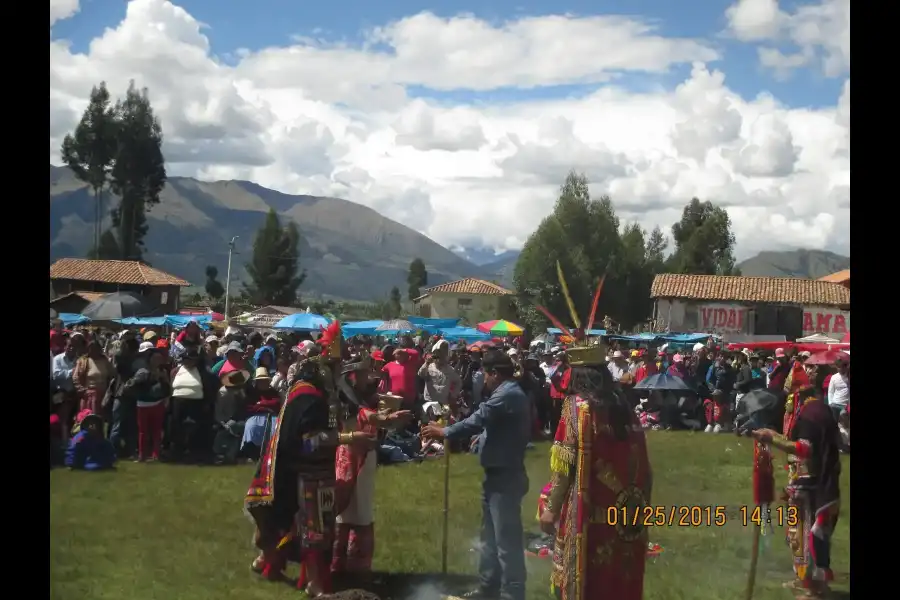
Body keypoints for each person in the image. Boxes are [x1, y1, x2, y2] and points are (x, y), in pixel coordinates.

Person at [536, 341, 652, 600]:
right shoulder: (624, 407)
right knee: (615, 581)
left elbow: (564, 466)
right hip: (623, 514)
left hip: (587, 515)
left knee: (585, 580)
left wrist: (551, 508)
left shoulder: (576, 408)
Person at [421, 349, 531, 600]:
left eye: (485, 373)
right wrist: (482, 440)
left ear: (494, 373)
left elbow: (479, 418)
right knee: (489, 540)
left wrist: (445, 432)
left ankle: (512, 594)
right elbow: (494, 425)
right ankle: (488, 588)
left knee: (506, 543)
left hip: (506, 478)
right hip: (497, 476)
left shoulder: (507, 394)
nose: (482, 378)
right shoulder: (507, 393)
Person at [750, 375, 842, 598]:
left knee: (808, 535)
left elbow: (804, 449)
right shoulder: (819, 410)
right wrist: (774, 435)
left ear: (797, 395)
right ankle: (806, 581)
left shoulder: (811, 415)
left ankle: (814, 589)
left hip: (814, 486)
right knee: (798, 534)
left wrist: (772, 439)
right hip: (811, 483)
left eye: (788, 397)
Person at [332, 355, 413, 580]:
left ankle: (342, 564)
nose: (368, 378)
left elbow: (370, 415)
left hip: (355, 457)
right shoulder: (346, 400)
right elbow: (366, 416)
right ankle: (353, 567)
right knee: (353, 511)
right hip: (352, 456)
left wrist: (387, 416)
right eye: (362, 374)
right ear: (351, 377)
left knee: (350, 511)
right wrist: (389, 418)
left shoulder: (353, 397)